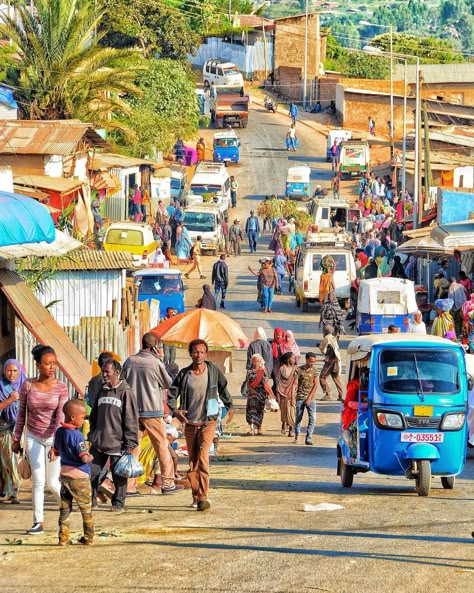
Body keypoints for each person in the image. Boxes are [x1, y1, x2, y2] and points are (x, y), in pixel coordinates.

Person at [168, 339, 234, 511]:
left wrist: (229, 405)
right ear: (190, 354)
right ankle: (196, 495)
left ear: (206, 354)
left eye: (202, 352)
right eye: (195, 352)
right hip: (190, 423)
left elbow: (223, 388)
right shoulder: (184, 374)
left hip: (208, 421)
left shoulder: (212, 371)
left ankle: (203, 496)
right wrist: (175, 410)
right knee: (193, 461)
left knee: (203, 458)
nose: (199, 355)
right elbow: (172, 393)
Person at [12, 345, 68, 535]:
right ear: (38, 365)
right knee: (38, 480)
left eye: (54, 363)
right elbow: (21, 415)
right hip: (33, 437)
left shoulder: (61, 387)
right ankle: (38, 522)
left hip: (53, 438)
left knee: (52, 482)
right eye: (47, 363)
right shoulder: (27, 385)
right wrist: (16, 438)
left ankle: (65, 506)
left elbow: (60, 417)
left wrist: (57, 445)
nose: (52, 367)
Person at [123, 333, 183, 496]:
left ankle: (129, 486)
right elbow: (167, 383)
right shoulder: (155, 362)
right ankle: (168, 483)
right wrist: (161, 360)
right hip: (152, 411)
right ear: (155, 347)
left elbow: (123, 384)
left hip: (133, 411)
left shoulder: (130, 361)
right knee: (162, 446)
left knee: (133, 448)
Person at [89, 360, 139, 513]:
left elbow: (131, 418)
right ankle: (90, 501)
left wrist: (130, 443)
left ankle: (118, 503)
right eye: (102, 371)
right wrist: (92, 434)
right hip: (99, 441)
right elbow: (94, 415)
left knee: (119, 474)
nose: (103, 375)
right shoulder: (101, 390)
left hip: (118, 443)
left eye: (107, 372)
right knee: (92, 472)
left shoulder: (126, 392)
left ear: (117, 372)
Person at [51, 400, 94, 546]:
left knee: (64, 508)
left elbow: (56, 451)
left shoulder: (59, 432)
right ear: (73, 417)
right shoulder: (77, 436)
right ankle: (88, 538)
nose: (84, 420)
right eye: (83, 417)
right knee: (86, 509)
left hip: (65, 476)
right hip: (80, 477)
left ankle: (63, 539)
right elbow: (83, 457)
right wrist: (91, 456)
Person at [0, 359, 26, 504]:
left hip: (21, 429)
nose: (12, 374)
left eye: (15, 370)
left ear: (19, 371)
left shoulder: (26, 384)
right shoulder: (1, 386)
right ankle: (11, 492)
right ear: (4, 371)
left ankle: (13, 492)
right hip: (4, 430)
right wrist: (10, 400)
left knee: (17, 461)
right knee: (7, 462)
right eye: (9, 370)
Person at [245, 354, 274, 436]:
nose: (255, 363)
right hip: (251, 393)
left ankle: (259, 427)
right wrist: (251, 389)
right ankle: (251, 429)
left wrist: (269, 393)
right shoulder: (249, 371)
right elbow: (247, 382)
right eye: (254, 361)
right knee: (251, 410)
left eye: (257, 361)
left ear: (260, 361)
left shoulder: (263, 370)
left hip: (261, 393)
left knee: (260, 410)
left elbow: (265, 382)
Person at [294, 352, 319, 446]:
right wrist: (293, 395)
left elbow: (316, 385)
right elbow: (295, 383)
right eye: (311, 361)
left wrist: (309, 398)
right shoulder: (299, 370)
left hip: (311, 398)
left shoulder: (315, 371)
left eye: (314, 361)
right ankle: (297, 434)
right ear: (306, 359)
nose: (312, 363)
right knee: (299, 417)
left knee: (312, 418)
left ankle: (308, 438)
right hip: (300, 397)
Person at [318, 325, 344, 401]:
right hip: (336, 360)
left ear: (326, 331)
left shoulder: (326, 338)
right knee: (336, 378)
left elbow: (322, 348)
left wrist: (324, 353)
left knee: (322, 377)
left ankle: (327, 394)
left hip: (330, 361)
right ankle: (341, 395)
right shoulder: (333, 338)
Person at [276, 352, 299, 437]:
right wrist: (278, 394)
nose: (294, 360)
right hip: (282, 393)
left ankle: (291, 429)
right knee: (284, 411)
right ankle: (284, 423)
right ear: (287, 359)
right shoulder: (282, 369)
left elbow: (295, 384)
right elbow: (278, 382)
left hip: (292, 393)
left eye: (294, 358)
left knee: (292, 412)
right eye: (292, 358)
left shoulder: (296, 369)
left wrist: (293, 397)